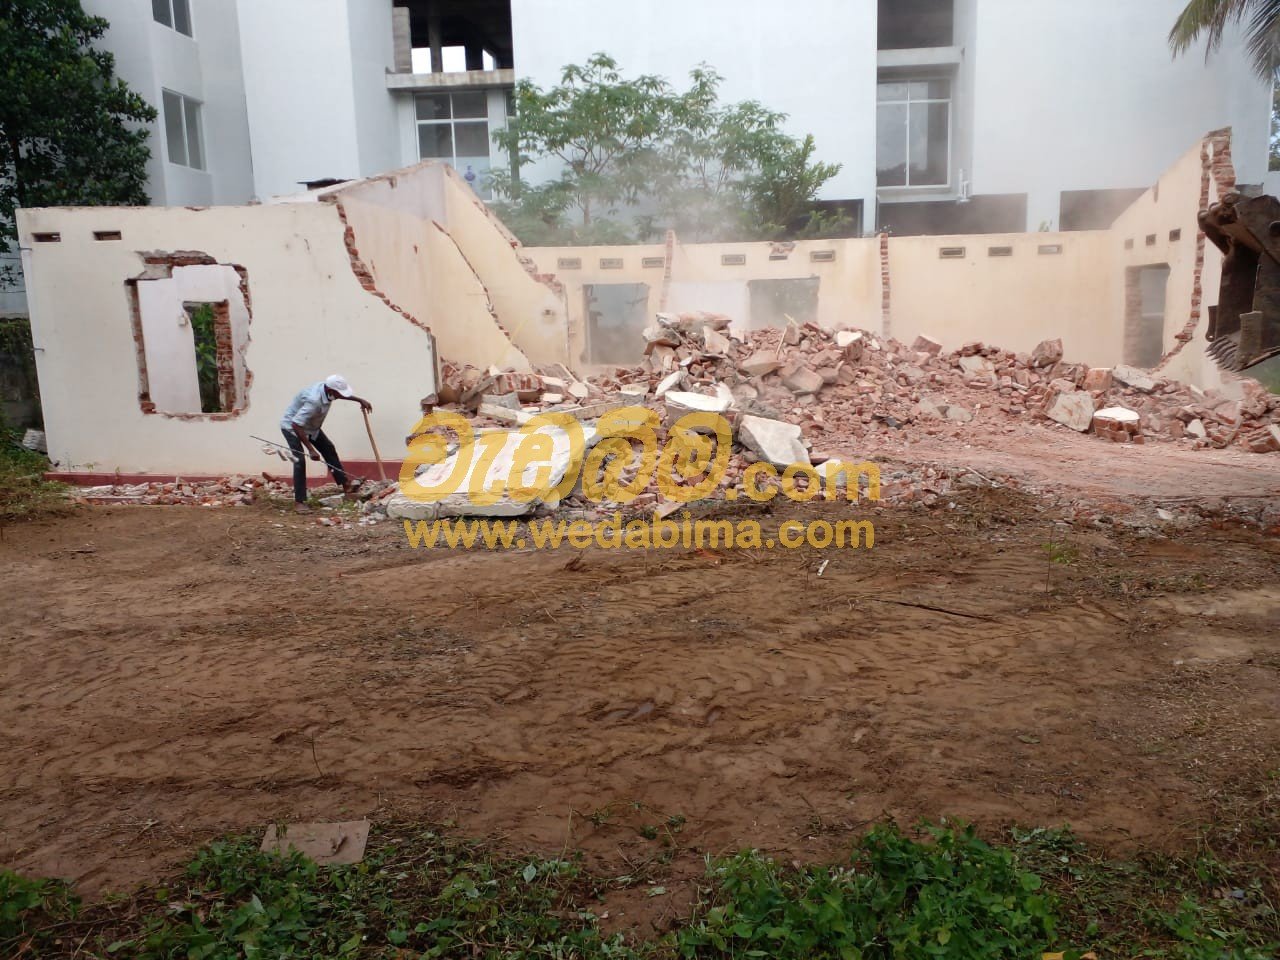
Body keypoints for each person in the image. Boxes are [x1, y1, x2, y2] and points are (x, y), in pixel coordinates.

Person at [280, 374, 373, 513]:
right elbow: (296, 424)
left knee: (328, 448)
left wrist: (359, 400)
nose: (341, 395)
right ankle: (300, 502)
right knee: (299, 461)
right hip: (293, 428)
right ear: (331, 391)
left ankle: (345, 484)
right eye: (339, 393)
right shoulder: (314, 400)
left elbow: (340, 395)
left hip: (311, 427)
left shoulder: (327, 389)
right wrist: (311, 449)